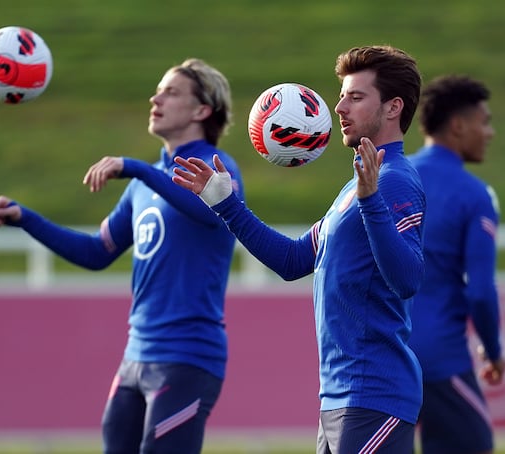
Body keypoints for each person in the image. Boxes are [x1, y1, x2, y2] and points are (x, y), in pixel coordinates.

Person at [0, 58, 244, 454]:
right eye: (158, 90)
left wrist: (138, 169)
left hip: (188, 357)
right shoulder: (145, 183)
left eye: (171, 92)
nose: (155, 98)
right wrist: (25, 218)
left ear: (201, 110)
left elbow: (212, 210)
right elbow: (96, 252)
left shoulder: (216, 169)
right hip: (135, 356)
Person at [172, 45, 425, 453]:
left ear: (393, 107)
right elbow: (293, 262)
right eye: (341, 95)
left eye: (355, 97)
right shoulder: (356, 186)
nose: (339, 107)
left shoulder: (393, 181)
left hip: (375, 394)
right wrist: (225, 203)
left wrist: (371, 200)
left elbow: (408, 279)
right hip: (340, 397)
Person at [407, 75, 505, 454]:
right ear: (459, 126)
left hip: (381, 355)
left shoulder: (384, 176)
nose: (490, 132)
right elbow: (480, 292)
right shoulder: (474, 194)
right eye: (485, 122)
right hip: (439, 361)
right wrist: (494, 351)